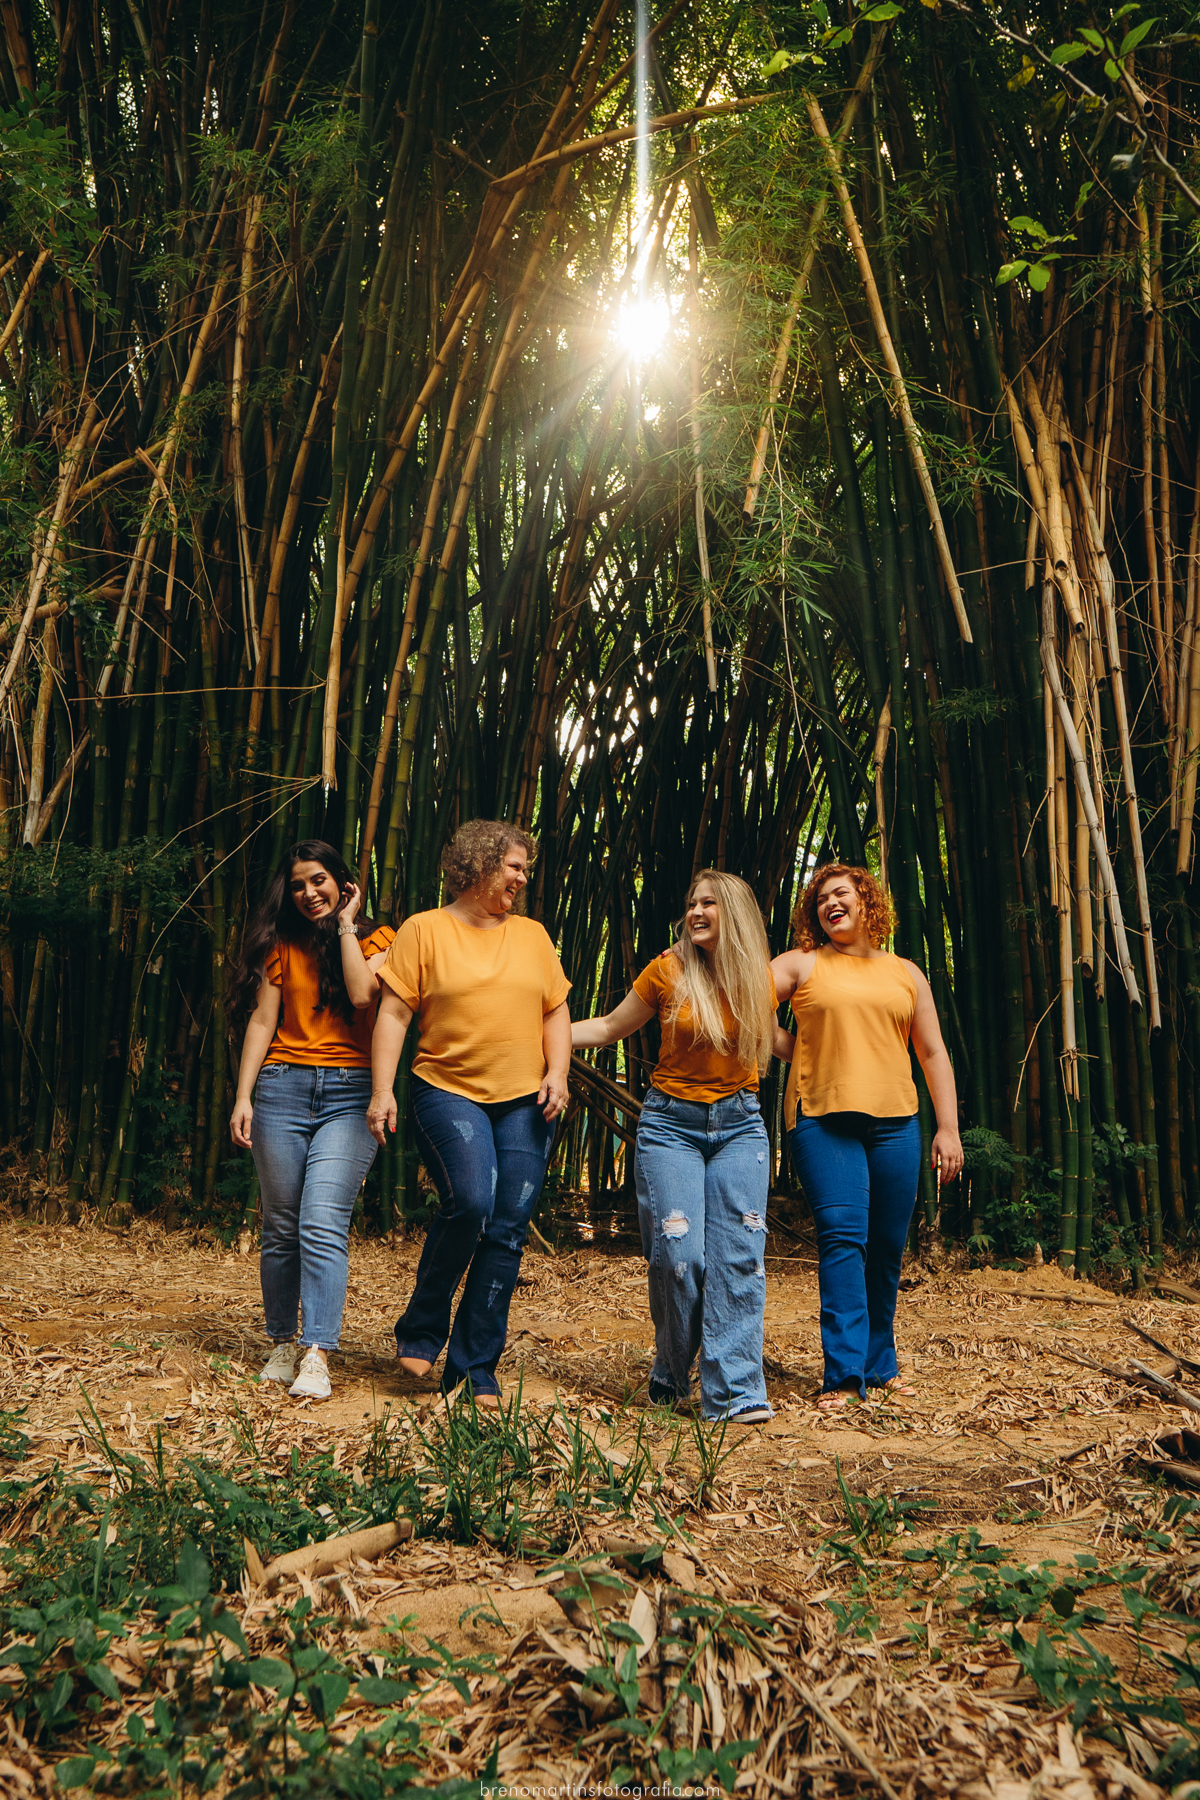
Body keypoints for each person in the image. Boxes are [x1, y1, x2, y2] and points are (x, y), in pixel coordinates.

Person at [367, 820, 571, 1407]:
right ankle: (422, 1326)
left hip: (525, 1099)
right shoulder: (423, 930)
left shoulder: (533, 935)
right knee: (472, 1202)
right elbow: (394, 1017)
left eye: (525, 869)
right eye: (513, 865)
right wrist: (383, 1091)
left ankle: (474, 1364)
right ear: (479, 863)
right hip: (448, 1088)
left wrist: (556, 1073)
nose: (521, 878)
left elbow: (555, 1010)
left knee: (507, 1227)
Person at [571, 870, 781, 1424]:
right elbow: (611, 1027)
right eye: (691, 902)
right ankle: (671, 1369)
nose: (695, 911)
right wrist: (533, 1031)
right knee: (679, 1258)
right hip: (671, 1127)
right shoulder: (667, 969)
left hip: (740, 1125)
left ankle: (735, 1393)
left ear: (732, 911)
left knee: (740, 1256)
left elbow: (783, 1041)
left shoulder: (758, 976)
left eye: (709, 902)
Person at [772, 862, 963, 1411]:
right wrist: (796, 1049)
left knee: (885, 1248)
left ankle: (881, 1364)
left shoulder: (906, 972)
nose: (832, 903)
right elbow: (744, 1005)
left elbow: (931, 1053)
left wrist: (947, 1128)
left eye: (842, 893)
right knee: (842, 1237)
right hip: (821, 1120)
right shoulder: (801, 964)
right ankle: (843, 1375)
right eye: (822, 898)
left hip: (896, 1122)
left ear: (866, 902)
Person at [229, 840, 395, 1401]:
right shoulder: (281, 943)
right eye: (298, 884)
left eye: (319, 880)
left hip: (351, 1092)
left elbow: (362, 993)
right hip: (281, 1087)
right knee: (280, 1223)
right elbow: (262, 1021)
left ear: (341, 883)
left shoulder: (378, 938)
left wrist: (348, 923)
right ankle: (281, 1341)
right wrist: (243, 1096)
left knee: (321, 1220)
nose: (309, 893)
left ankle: (317, 1352)